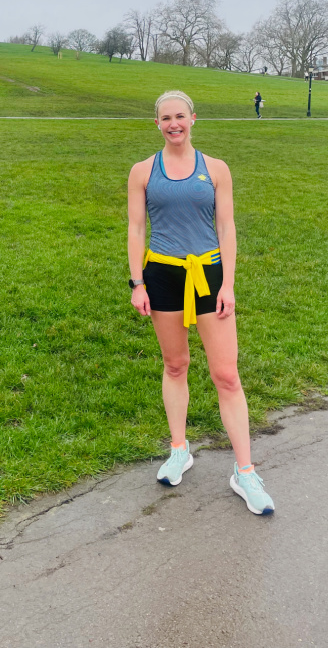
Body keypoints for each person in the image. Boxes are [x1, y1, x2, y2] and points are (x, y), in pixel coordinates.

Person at [127, 90, 275, 515]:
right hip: (163, 276)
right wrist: (138, 283)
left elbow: (226, 228)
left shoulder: (216, 169)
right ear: (157, 124)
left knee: (226, 375)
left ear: (193, 118)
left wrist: (228, 284)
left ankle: (245, 472)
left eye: (180, 116)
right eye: (165, 118)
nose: (173, 124)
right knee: (175, 365)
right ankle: (179, 450)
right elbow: (136, 229)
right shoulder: (142, 171)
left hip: (209, 275)